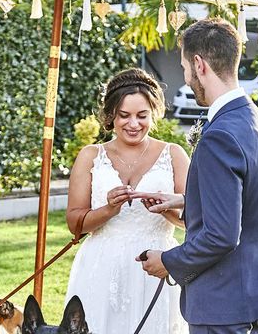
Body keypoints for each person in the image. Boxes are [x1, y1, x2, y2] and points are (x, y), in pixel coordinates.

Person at [133, 18, 258, 334]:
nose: (185, 77)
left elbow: (221, 236)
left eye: (185, 67)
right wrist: (187, 201)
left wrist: (168, 261)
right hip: (248, 293)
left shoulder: (220, 136)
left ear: (199, 64)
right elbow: (247, 203)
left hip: (220, 302)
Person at [65, 67, 190, 334]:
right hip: (102, 266)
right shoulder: (90, 156)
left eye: (142, 116)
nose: (133, 124)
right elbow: (75, 224)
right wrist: (109, 209)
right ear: (111, 115)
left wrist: (166, 210)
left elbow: (196, 220)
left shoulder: (174, 155)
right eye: (124, 116)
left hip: (156, 264)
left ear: (153, 114)